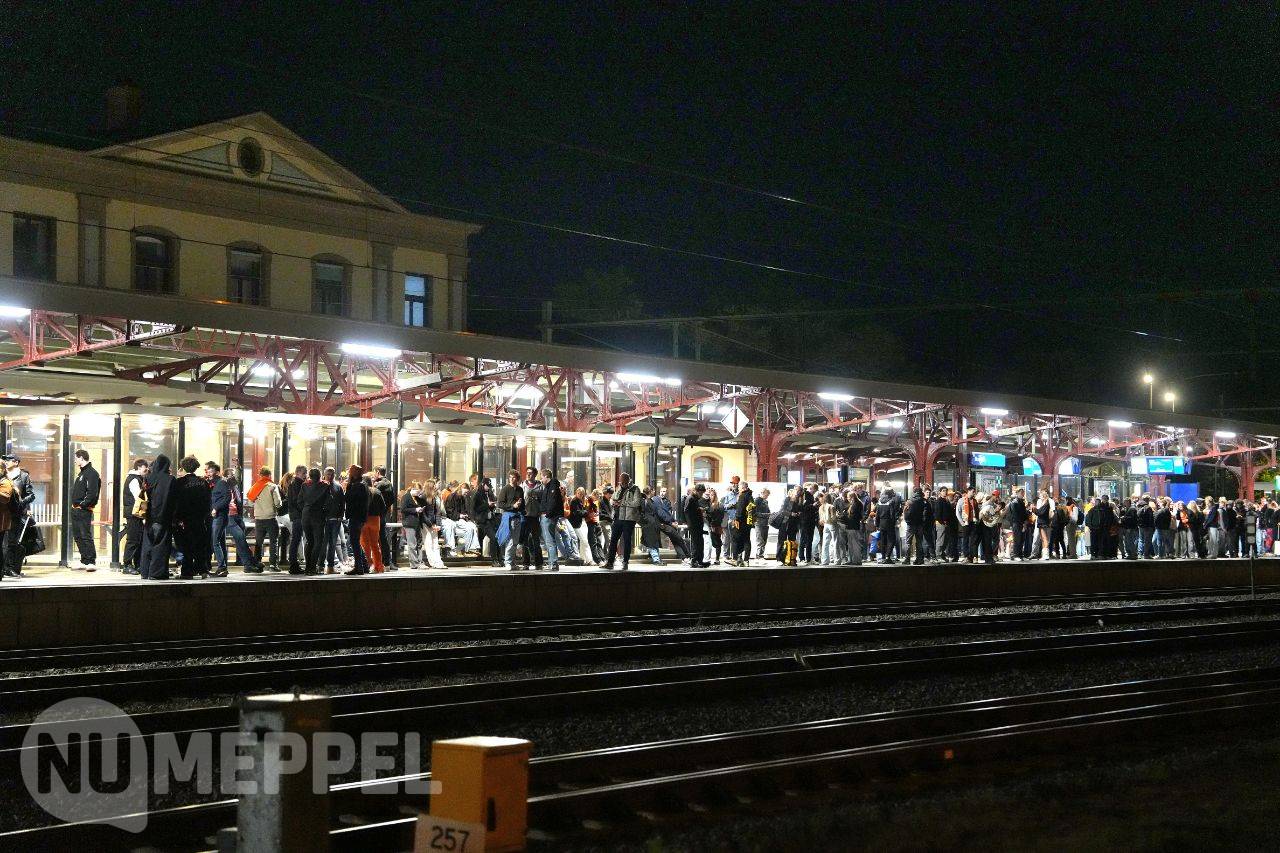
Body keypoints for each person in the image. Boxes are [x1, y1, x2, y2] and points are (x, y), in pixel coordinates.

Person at [170, 456, 212, 579]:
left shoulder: (179, 482)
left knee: (186, 546)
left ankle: (187, 571)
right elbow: (207, 501)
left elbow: (176, 502)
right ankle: (203, 569)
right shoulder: (203, 482)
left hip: (184, 520)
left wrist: (176, 518)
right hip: (199, 519)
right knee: (200, 545)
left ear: (183, 467)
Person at [139, 454, 176, 580]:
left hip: (149, 517)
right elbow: (173, 500)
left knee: (147, 545)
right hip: (163, 517)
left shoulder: (149, 478)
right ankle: (157, 573)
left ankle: (145, 571)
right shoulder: (170, 479)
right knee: (161, 546)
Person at [69, 448, 101, 570]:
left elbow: (92, 493)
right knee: (77, 536)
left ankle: (91, 561)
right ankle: (84, 560)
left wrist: (83, 505)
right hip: (76, 509)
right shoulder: (81, 474)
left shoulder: (92, 473)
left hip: (84, 510)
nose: (75, 461)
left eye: (76, 458)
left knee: (85, 535)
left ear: (81, 458)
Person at [248, 467, 284, 570]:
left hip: (259, 518)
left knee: (259, 541)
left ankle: (257, 563)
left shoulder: (255, 486)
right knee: (273, 541)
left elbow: (250, 502)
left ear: (260, 475)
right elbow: (278, 503)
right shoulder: (272, 486)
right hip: (271, 518)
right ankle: (273, 564)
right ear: (269, 475)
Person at [604, 473, 642, 571]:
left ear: (628, 480)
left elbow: (637, 503)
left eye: (624, 481)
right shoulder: (619, 489)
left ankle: (625, 562)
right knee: (613, 540)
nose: (622, 483)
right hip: (618, 518)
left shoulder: (635, 489)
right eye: (621, 481)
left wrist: (623, 503)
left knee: (627, 540)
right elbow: (614, 499)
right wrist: (614, 503)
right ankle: (610, 562)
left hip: (629, 519)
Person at [121, 459, 149, 575]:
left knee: (139, 540)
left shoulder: (136, 478)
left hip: (136, 514)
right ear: (138, 467)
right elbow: (139, 497)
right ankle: (127, 565)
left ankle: (137, 564)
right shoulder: (133, 479)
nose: (146, 470)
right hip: (134, 515)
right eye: (145, 468)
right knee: (133, 540)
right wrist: (145, 513)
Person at [343, 464, 370, 575]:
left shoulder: (358, 486)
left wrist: (347, 487)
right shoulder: (362, 485)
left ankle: (359, 567)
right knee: (355, 541)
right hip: (359, 517)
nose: (349, 473)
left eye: (351, 471)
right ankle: (363, 565)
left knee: (354, 542)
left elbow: (349, 499)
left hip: (356, 517)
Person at [496, 470, 524, 571]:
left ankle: (512, 562)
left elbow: (522, 503)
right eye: (510, 477)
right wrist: (512, 506)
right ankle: (508, 561)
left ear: (517, 479)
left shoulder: (520, 489)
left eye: (514, 477)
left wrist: (520, 506)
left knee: (515, 541)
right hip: (509, 517)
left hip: (517, 516)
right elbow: (500, 504)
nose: (512, 479)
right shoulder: (505, 489)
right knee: (511, 540)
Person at [361, 472, 387, 573]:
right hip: (375, 520)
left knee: (364, 544)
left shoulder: (362, 492)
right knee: (375, 544)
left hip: (363, 519)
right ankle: (378, 566)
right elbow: (383, 507)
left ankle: (367, 565)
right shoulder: (377, 491)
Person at [284, 464, 308, 572]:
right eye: (304, 473)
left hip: (296, 515)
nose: (305, 475)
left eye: (306, 473)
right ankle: (293, 564)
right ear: (297, 473)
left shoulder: (296, 484)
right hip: (298, 515)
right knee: (296, 539)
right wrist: (304, 511)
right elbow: (297, 501)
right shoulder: (297, 485)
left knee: (296, 539)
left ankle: (293, 563)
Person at [419, 482, 447, 568]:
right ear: (431, 487)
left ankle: (438, 562)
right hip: (425, 524)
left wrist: (438, 525)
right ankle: (433, 562)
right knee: (428, 543)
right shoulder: (423, 497)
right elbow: (423, 514)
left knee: (435, 543)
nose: (436, 487)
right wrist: (431, 525)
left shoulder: (434, 497)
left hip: (433, 524)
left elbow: (437, 512)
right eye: (434, 486)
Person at [568, 487, 598, 566]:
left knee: (583, 542)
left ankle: (583, 560)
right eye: (579, 493)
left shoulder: (581, 501)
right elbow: (577, 513)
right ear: (576, 493)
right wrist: (587, 512)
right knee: (585, 542)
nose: (580, 495)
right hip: (577, 524)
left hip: (581, 523)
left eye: (581, 494)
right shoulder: (574, 501)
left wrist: (586, 512)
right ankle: (589, 560)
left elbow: (584, 511)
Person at [902, 487, 932, 566]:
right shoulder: (923, 501)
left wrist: (907, 521)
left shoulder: (910, 501)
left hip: (911, 525)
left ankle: (907, 559)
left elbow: (905, 512)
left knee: (908, 542)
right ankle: (919, 559)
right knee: (919, 542)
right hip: (919, 525)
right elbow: (925, 514)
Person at [684, 484, 709, 567]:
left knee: (700, 542)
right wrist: (698, 510)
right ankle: (694, 561)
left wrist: (698, 510)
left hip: (697, 524)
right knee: (696, 543)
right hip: (694, 524)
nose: (702, 495)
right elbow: (687, 511)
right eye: (701, 493)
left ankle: (699, 560)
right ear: (697, 491)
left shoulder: (695, 498)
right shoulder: (690, 498)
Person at [875, 487, 902, 564]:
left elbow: (877, 514)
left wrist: (877, 524)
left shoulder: (880, 501)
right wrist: (894, 522)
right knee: (891, 540)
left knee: (883, 540)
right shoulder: (891, 501)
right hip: (889, 523)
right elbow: (892, 514)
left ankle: (883, 557)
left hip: (881, 523)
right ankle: (888, 557)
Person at [731, 480, 754, 567]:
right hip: (748, 522)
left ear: (743, 487)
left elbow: (740, 511)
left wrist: (736, 519)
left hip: (740, 522)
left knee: (735, 539)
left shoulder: (742, 496)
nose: (739, 489)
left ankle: (735, 559)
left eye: (739, 487)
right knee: (746, 540)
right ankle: (746, 560)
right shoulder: (750, 496)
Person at [1006, 489, 1028, 561]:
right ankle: (1015, 555)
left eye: (1023, 493)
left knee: (1021, 539)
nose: (1023, 494)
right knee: (1017, 539)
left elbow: (1023, 513)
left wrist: (1024, 521)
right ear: (1018, 493)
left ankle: (1019, 554)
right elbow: (1015, 515)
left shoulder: (1021, 502)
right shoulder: (1015, 502)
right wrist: (1023, 521)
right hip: (1016, 523)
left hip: (1020, 523)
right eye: (1021, 493)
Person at [705, 487, 725, 565]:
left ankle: (717, 559)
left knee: (717, 543)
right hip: (708, 525)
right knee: (708, 543)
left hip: (716, 526)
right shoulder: (707, 504)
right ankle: (707, 558)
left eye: (712, 495)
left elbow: (721, 516)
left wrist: (713, 524)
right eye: (709, 494)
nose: (710, 496)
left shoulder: (719, 505)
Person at [752, 488, 772, 559]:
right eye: (767, 494)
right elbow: (755, 513)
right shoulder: (757, 500)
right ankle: (759, 555)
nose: (767, 496)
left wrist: (770, 514)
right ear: (763, 493)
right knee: (760, 540)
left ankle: (761, 555)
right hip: (759, 522)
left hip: (765, 523)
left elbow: (768, 511)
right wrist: (767, 515)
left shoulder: (766, 501)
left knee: (764, 540)